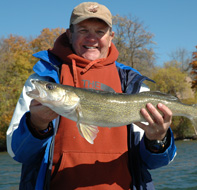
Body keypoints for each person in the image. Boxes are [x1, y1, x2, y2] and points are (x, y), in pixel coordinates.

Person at [7, 2, 176, 190]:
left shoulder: (133, 86)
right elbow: (17, 153)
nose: (92, 38)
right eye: (83, 30)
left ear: (111, 37)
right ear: (70, 34)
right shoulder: (42, 79)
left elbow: (155, 162)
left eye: (100, 31)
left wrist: (158, 139)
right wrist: (36, 125)